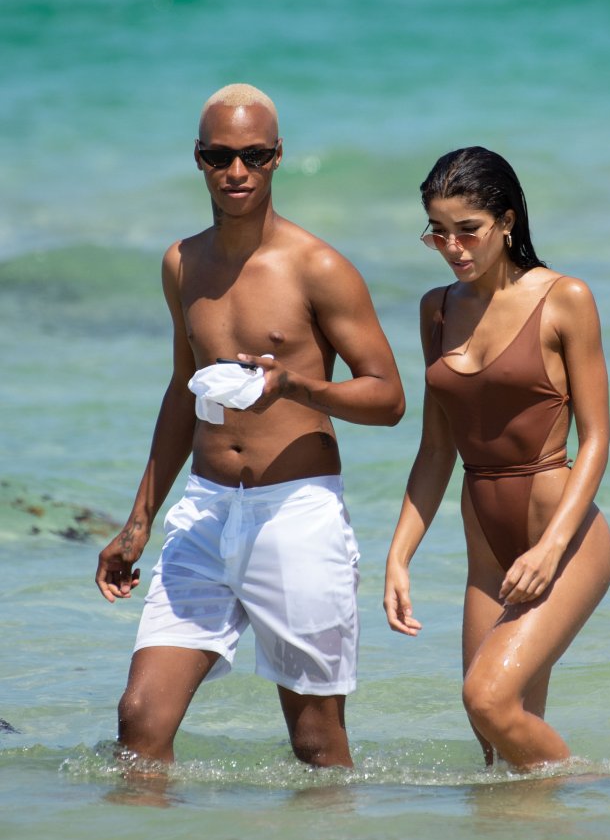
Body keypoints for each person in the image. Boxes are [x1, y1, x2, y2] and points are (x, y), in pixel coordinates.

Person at [97, 83, 405, 769]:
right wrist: (139, 522)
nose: (236, 172)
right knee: (140, 721)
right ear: (198, 159)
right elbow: (182, 390)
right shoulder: (182, 263)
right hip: (205, 512)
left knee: (315, 742)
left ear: (277, 157)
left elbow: (388, 398)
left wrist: (297, 385)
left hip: (296, 511)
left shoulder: (318, 267)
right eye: (220, 156)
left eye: (254, 156)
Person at [383, 147, 610, 770]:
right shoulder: (436, 309)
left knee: (488, 700)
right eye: (437, 232)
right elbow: (436, 449)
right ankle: (539, 833)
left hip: (563, 539)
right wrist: (399, 556)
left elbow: (596, 439)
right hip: (486, 548)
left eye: (468, 230)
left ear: (507, 221)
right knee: (495, 744)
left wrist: (549, 550)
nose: (453, 248)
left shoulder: (565, 297)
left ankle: (594, 791)